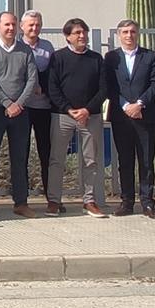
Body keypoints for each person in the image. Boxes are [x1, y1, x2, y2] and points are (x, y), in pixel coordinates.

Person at [45, 18, 110, 218]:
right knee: (57, 159)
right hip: (62, 116)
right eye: (77, 33)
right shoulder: (57, 58)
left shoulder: (96, 59)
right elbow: (52, 87)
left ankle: (89, 201)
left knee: (91, 160)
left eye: (84, 32)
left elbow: (104, 88)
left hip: (90, 116)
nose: (82, 36)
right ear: (67, 36)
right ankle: (54, 200)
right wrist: (68, 109)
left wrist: (87, 110)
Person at [0, 11, 39, 217]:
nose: (11, 28)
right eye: (6, 24)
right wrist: (6, 103)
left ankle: (21, 203)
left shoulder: (25, 51)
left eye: (13, 24)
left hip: (20, 112)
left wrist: (18, 104)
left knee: (20, 158)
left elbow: (32, 80)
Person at [105, 19, 155, 218]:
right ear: (119, 35)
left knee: (146, 161)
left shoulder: (150, 56)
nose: (129, 35)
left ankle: (148, 203)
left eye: (132, 32)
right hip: (122, 117)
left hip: (144, 115)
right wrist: (124, 105)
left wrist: (139, 104)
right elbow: (109, 86)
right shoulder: (111, 58)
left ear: (137, 34)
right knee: (125, 160)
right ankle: (127, 202)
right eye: (125, 32)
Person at [19, 9, 57, 205]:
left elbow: (53, 74)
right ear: (22, 27)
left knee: (47, 153)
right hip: (23, 108)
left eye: (37, 24)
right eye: (31, 24)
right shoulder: (16, 47)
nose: (34, 28)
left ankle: (51, 197)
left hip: (44, 107)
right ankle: (22, 199)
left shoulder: (48, 47)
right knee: (21, 153)